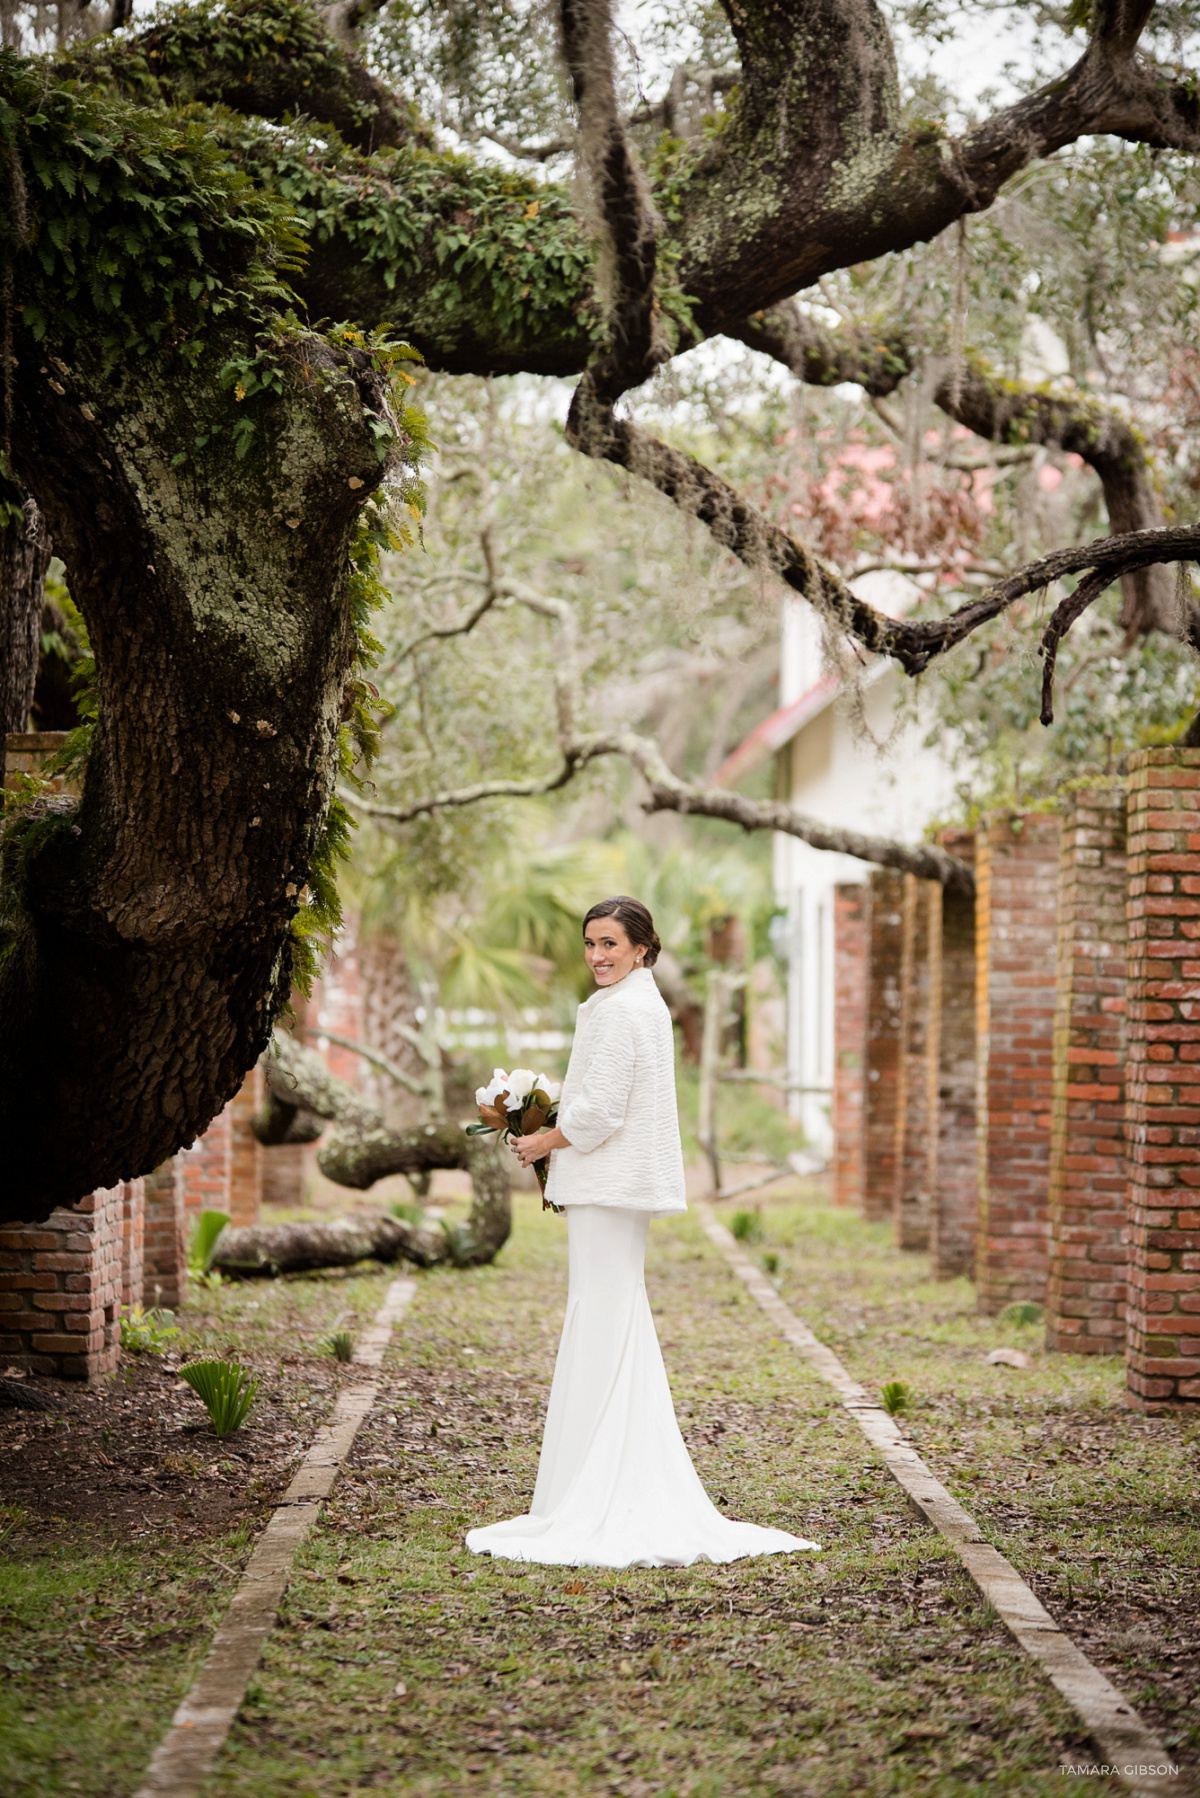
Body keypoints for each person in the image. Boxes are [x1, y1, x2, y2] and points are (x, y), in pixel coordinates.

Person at [465, 895, 820, 1569]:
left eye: (610, 944)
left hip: (607, 1187)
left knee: (603, 1316)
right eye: (590, 943)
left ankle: (602, 1487)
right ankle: (595, 1477)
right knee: (611, 1315)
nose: (598, 956)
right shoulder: (636, 1006)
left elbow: (600, 1111)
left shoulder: (626, 1010)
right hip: (613, 1190)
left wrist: (543, 1140)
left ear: (641, 948)